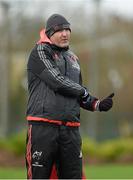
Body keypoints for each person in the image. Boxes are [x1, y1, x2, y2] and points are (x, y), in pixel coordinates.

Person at [26, 13, 114, 179]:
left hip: (71, 130)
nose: (65, 33)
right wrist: (83, 92)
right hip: (43, 127)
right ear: (49, 34)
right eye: (60, 30)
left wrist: (96, 104)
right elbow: (57, 81)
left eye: (67, 29)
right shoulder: (39, 51)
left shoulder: (73, 58)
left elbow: (78, 90)